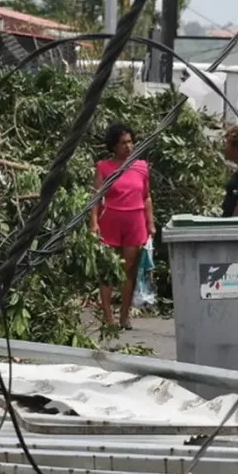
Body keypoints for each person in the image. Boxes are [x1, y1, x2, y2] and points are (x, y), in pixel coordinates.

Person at [89, 122, 155, 330]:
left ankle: (124, 316)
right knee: (108, 270)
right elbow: (95, 198)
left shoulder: (141, 166)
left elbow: (146, 197)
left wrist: (150, 223)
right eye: (123, 143)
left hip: (134, 222)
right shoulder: (104, 167)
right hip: (110, 222)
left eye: (130, 142)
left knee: (129, 270)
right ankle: (108, 317)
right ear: (114, 146)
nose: (128, 146)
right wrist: (93, 222)